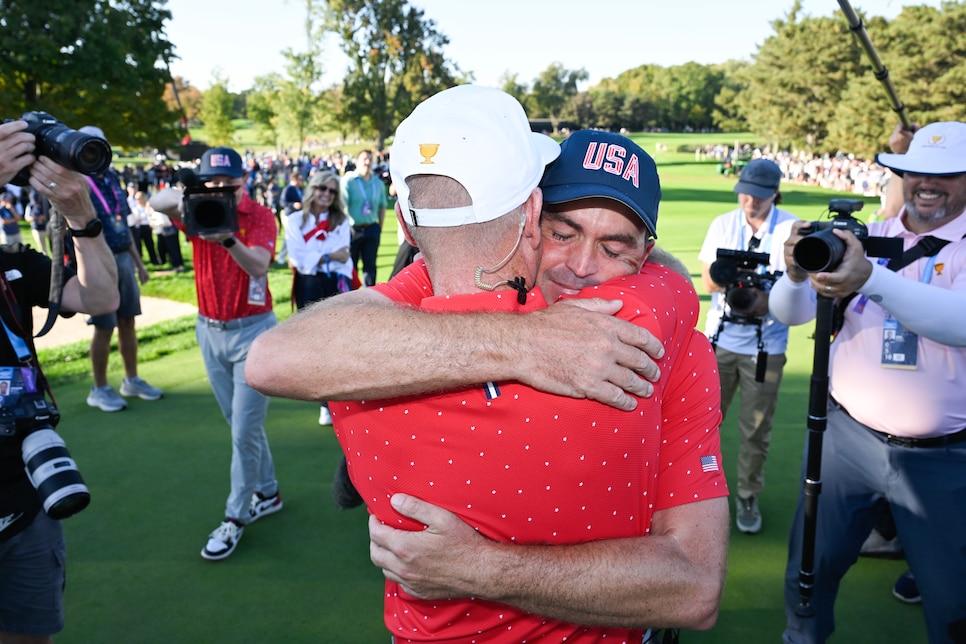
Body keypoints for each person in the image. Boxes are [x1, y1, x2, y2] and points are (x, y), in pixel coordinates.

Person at [248, 87, 729, 640]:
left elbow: (694, 586)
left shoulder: (672, 343)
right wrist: (527, 342)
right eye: (561, 232)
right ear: (528, 218)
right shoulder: (663, 313)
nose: (581, 267)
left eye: (616, 249)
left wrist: (477, 568)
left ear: (645, 258)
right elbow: (277, 356)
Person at [770, 121, 966, 644]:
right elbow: (788, 314)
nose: (928, 184)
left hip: (944, 458)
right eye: (917, 172)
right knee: (810, 567)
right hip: (848, 440)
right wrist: (793, 274)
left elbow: (958, 322)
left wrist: (872, 279)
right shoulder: (869, 238)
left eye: (946, 175)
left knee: (953, 598)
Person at [0, 117, 120, 644]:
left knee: (31, 635)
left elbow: (100, 299)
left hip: (25, 497)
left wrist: (81, 215)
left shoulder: (12, 266)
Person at [150, 146, 282, 562]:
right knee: (238, 424)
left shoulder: (258, 216)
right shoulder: (196, 206)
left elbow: (259, 267)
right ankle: (270, 491)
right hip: (209, 330)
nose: (222, 187)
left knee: (243, 430)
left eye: (229, 180)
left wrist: (226, 237)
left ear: (244, 179)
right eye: (214, 180)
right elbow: (157, 202)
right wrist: (191, 191)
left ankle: (235, 516)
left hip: (254, 333)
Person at [698, 158, 798, 534]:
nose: (750, 201)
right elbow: (709, 281)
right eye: (745, 192)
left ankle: (747, 494)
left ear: (774, 193)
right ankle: (698, 492)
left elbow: (796, 286)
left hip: (765, 345)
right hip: (720, 340)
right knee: (702, 423)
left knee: (756, 429)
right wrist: (735, 281)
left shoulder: (790, 228)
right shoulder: (723, 224)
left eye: (758, 195)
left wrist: (765, 297)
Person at [78, 126, 162, 413]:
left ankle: (131, 379)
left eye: (99, 147)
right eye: (89, 148)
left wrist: (139, 263)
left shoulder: (111, 177)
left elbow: (122, 225)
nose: (94, 154)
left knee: (128, 321)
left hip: (123, 257)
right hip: (97, 261)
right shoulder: (77, 181)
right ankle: (99, 389)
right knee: (104, 326)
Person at [341, 149, 387, 287]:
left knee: (370, 266)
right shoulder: (349, 181)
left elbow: (382, 206)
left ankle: (369, 300)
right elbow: (342, 207)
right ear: (356, 162)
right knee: (351, 267)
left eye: (369, 159)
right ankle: (350, 300)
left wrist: (379, 227)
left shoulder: (377, 183)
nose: (367, 162)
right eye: (364, 159)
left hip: (372, 228)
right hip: (353, 230)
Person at [24, 187, 51, 257]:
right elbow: (27, 218)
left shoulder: (45, 204)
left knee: (52, 246)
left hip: (47, 228)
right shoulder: (30, 206)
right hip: (37, 229)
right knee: (42, 248)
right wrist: (37, 218)